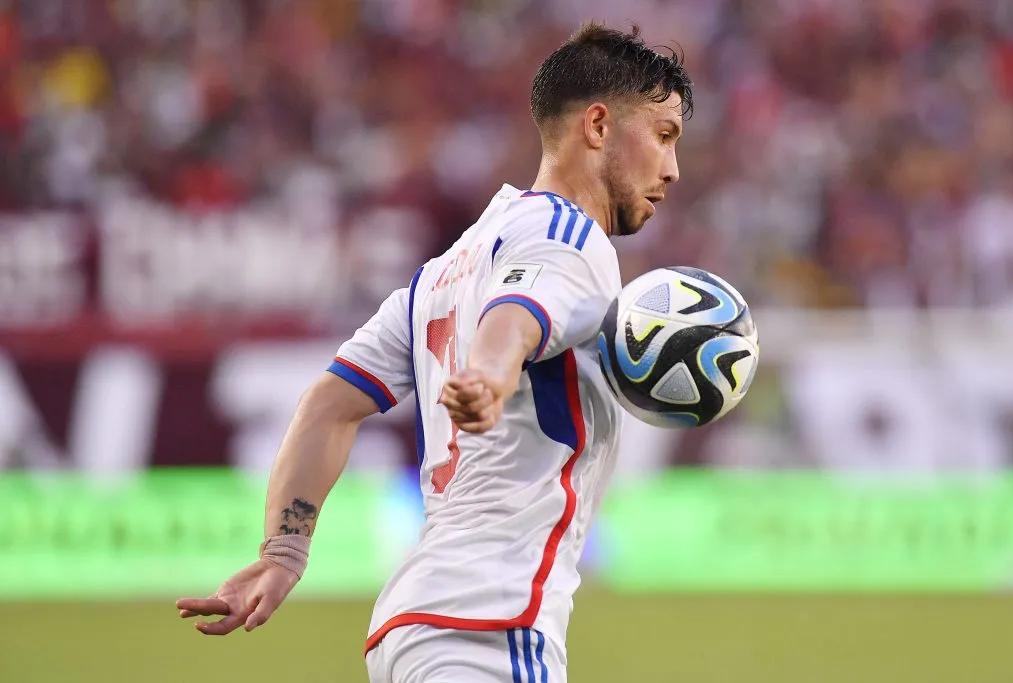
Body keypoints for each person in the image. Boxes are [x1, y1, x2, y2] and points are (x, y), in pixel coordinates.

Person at [176, 20, 692, 682]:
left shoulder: (446, 268)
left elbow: (328, 404)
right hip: (488, 628)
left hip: (415, 626)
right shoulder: (573, 239)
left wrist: (283, 552)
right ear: (597, 126)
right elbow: (516, 319)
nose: (673, 169)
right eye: (665, 135)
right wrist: (489, 373)